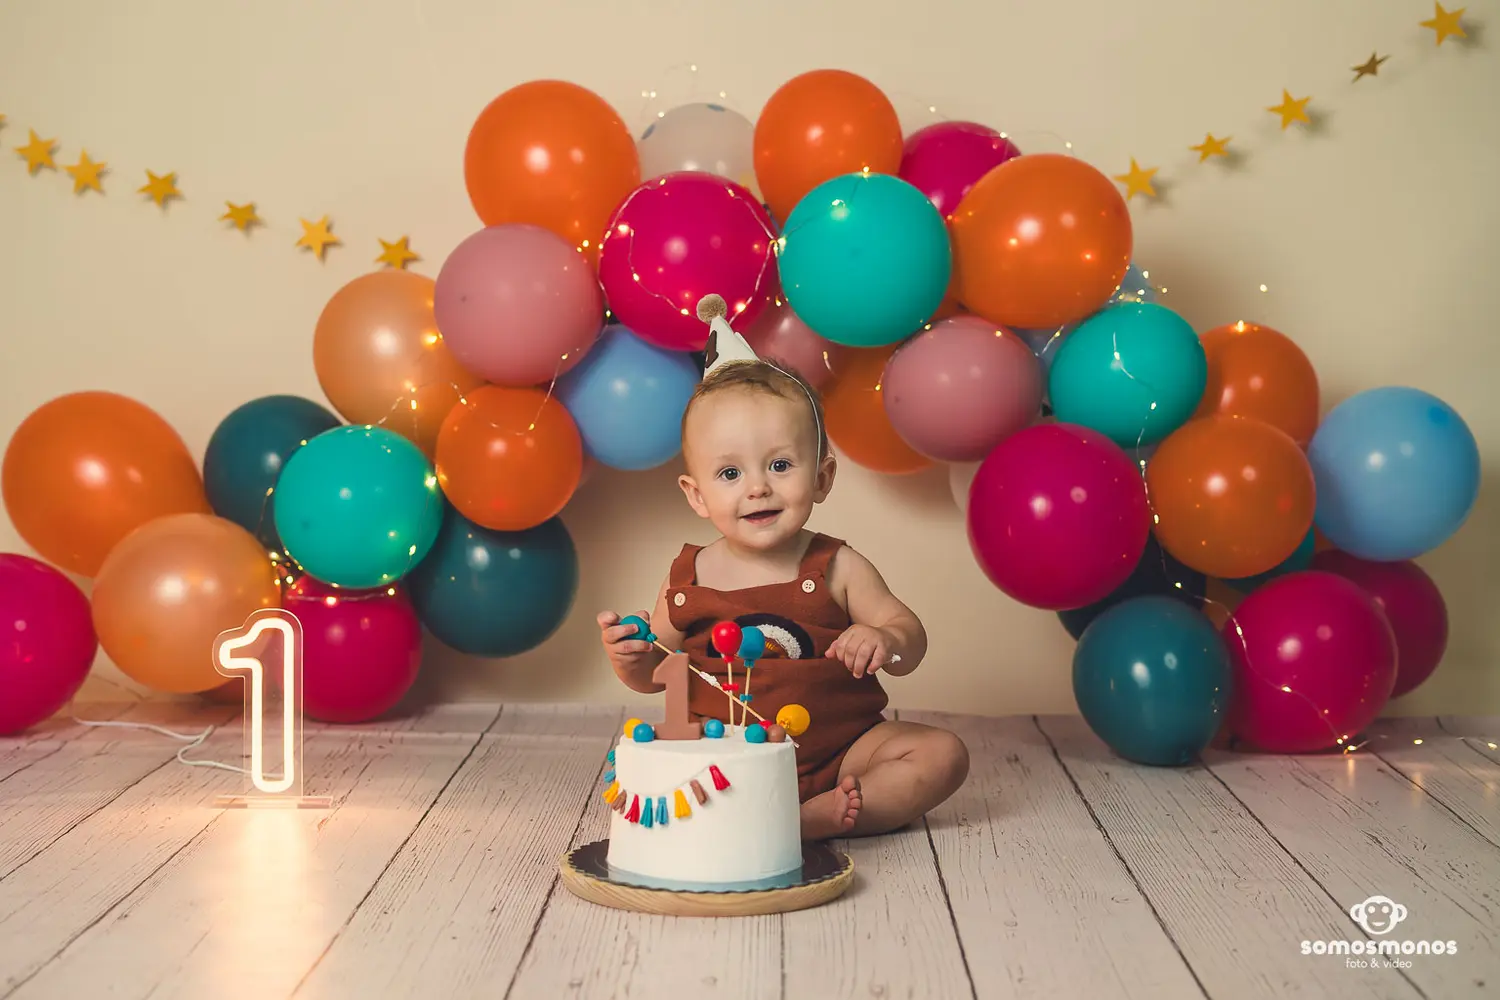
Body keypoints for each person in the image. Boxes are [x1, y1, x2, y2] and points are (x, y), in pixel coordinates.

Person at [597, 295, 969, 842]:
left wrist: (881, 638)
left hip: (845, 753)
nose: (757, 487)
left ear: (821, 478)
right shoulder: (688, 579)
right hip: (729, 760)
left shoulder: (837, 566)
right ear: (696, 496)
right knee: (680, 775)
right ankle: (766, 820)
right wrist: (629, 655)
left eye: (779, 464)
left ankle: (809, 820)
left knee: (942, 754)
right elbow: (659, 676)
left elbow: (911, 639)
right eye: (729, 473)